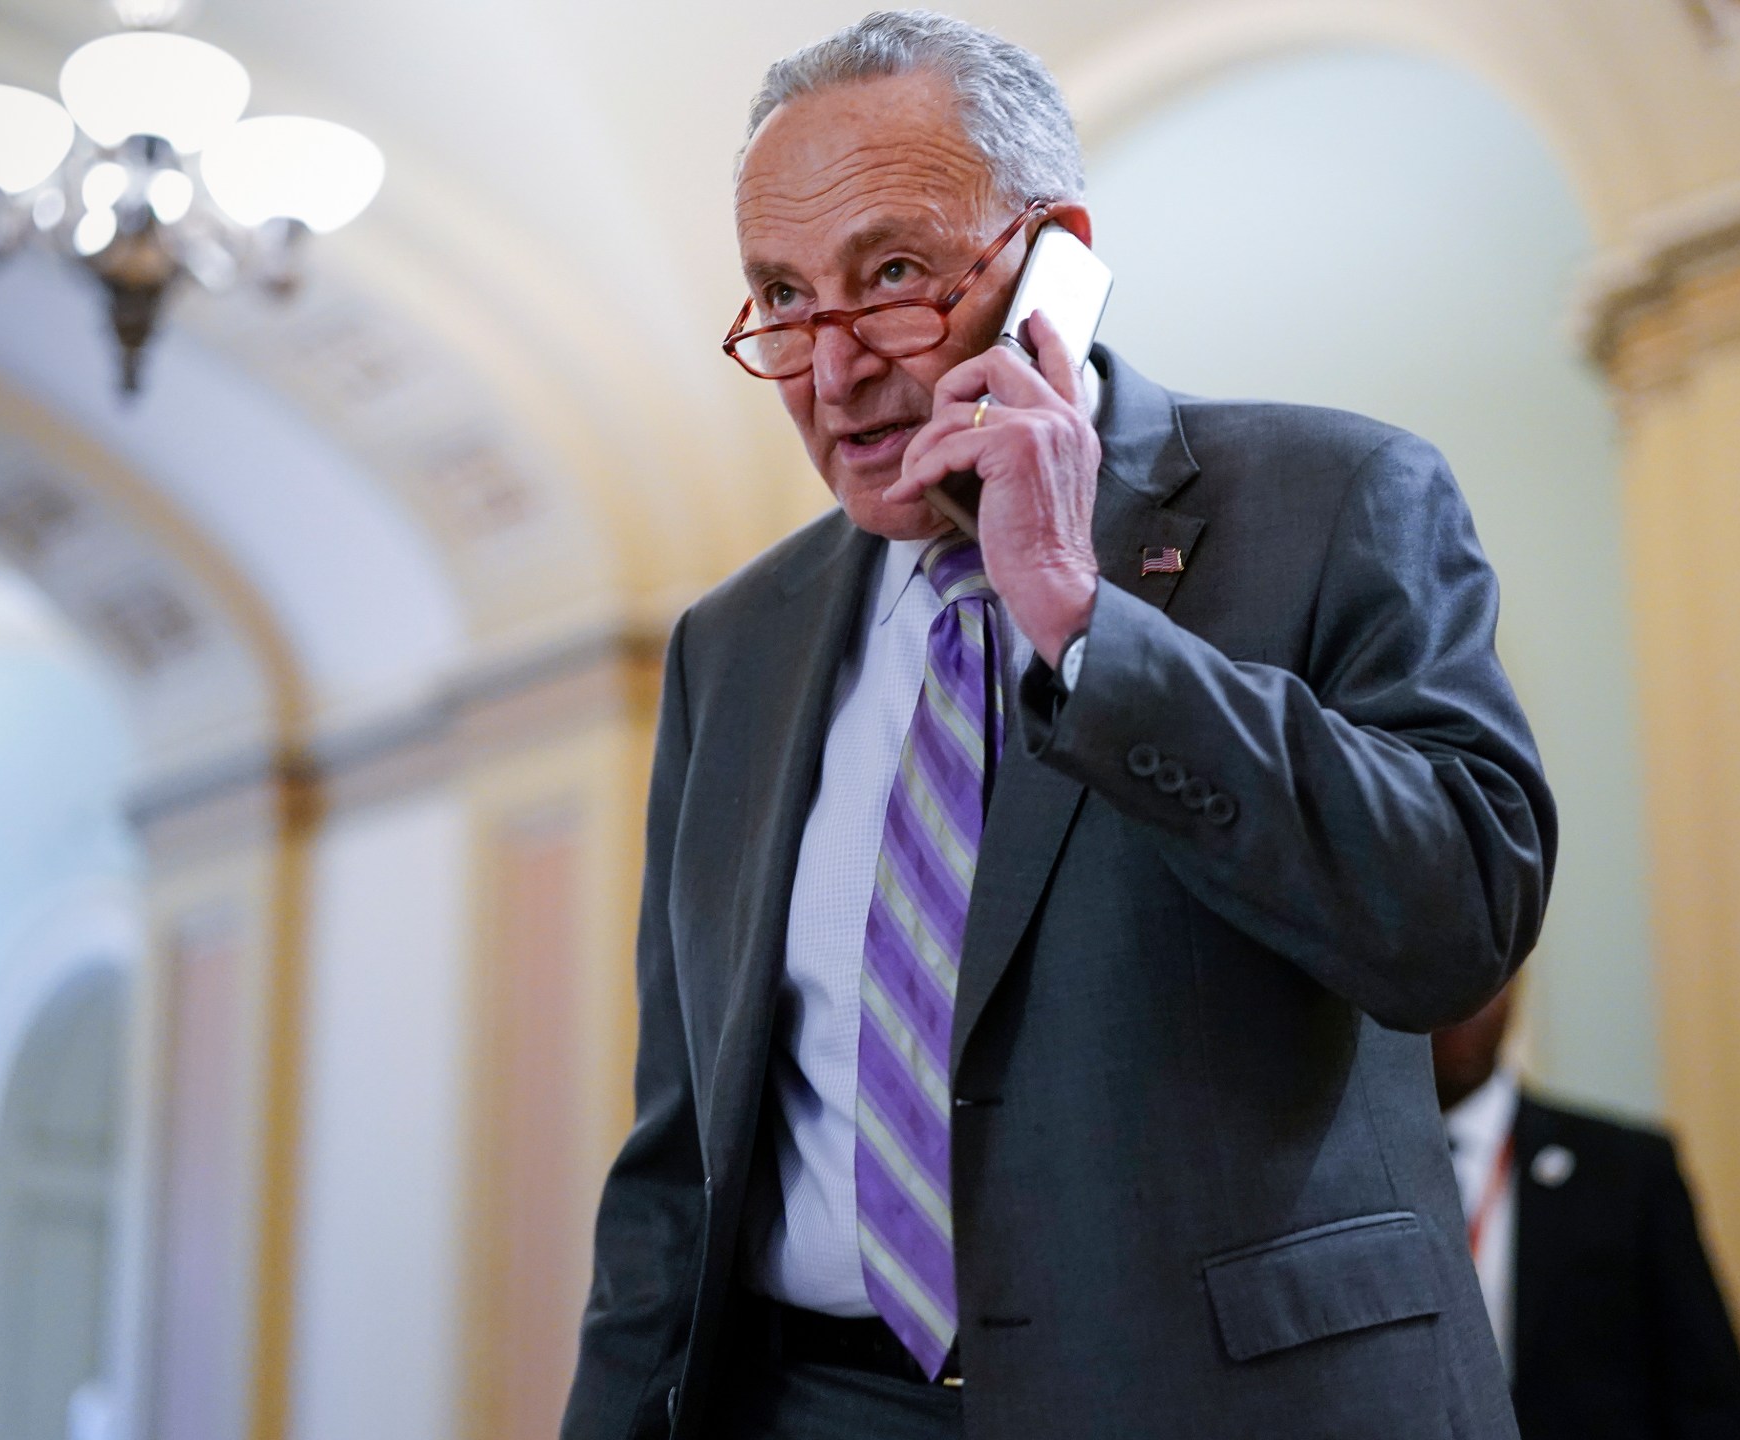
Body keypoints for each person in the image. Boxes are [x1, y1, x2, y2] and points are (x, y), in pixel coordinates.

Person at [561, 12, 1555, 1440]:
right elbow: (681, 1162)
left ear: (1053, 255)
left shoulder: (1338, 500)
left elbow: (1456, 917)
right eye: (782, 298)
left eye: (891, 276)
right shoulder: (735, 647)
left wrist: (1085, 622)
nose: (830, 372)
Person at [1429, 984, 1740, 1440]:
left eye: (1480, 972)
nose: (1458, 1001)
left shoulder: (1626, 1172)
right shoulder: (1335, 1191)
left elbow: (1711, 1403)